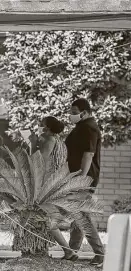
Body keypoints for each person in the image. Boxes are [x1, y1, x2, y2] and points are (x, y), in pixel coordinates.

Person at [65, 98, 105, 267]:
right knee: (78, 214)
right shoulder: (82, 127)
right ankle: (72, 251)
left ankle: (99, 253)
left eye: (75, 112)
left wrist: (81, 177)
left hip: (84, 179)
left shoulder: (88, 128)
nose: (71, 115)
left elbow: (88, 154)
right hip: (79, 177)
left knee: (82, 216)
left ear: (85, 112)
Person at [33, 116, 79, 261]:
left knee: (48, 220)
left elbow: (43, 162)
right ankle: (69, 250)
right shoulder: (60, 142)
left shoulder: (49, 140)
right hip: (58, 181)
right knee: (50, 218)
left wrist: (33, 144)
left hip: (48, 183)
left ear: (48, 128)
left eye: (42, 124)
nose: (40, 126)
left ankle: (69, 251)